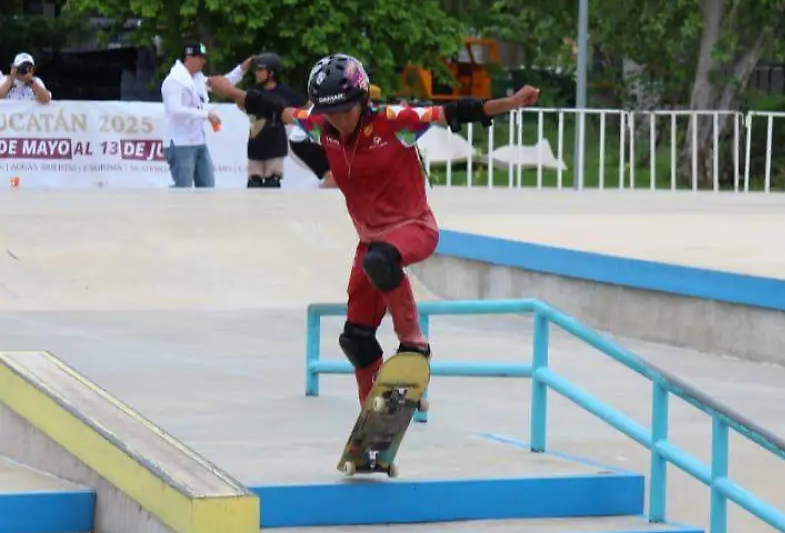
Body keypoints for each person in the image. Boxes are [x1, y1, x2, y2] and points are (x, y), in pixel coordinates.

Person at [207, 54, 539, 406]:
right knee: (356, 339)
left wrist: (512, 103)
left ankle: (414, 345)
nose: (338, 121)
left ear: (363, 101)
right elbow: (273, 107)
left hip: (414, 228)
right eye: (331, 113)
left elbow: (457, 112)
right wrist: (231, 90)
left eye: (345, 112)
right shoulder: (321, 125)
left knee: (382, 260)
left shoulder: (395, 121)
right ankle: (375, 413)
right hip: (370, 244)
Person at [160, 42, 248, 188]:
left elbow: (224, 83)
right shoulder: (174, 80)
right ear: (189, 58)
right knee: (183, 188)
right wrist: (205, 114)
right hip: (179, 143)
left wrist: (243, 69)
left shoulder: (198, 79)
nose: (204, 61)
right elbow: (175, 110)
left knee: (207, 187)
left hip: (198, 142)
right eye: (200, 58)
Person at [243, 52, 306, 187]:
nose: (257, 73)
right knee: (254, 183)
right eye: (256, 70)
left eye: (260, 70)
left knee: (272, 182)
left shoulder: (284, 92)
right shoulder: (253, 91)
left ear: (271, 73)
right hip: (255, 144)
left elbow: (305, 105)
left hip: (276, 144)